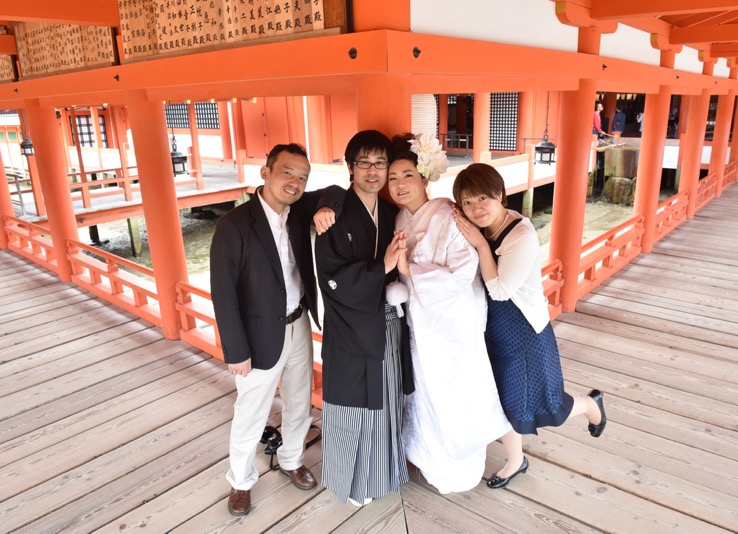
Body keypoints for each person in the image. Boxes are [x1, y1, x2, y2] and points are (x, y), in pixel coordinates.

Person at [452, 163, 606, 489]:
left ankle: (591, 405)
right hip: (491, 328)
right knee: (503, 401)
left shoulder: (520, 234)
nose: (476, 208)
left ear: (500, 195)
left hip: (522, 331)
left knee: (543, 403)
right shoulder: (478, 225)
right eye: (467, 202)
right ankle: (515, 460)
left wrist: (480, 246)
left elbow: (501, 290)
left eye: (484, 198)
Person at [210, 143, 338, 517]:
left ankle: (291, 458)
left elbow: (334, 192)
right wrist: (235, 351)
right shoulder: (233, 225)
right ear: (265, 173)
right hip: (257, 335)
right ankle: (241, 480)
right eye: (287, 172)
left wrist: (326, 207)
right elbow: (223, 293)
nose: (295, 182)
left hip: (298, 322)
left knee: (300, 401)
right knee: (251, 411)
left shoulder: (298, 213)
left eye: (302, 176)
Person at [387, 133, 512, 494]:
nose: (399, 185)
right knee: (427, 394)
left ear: (425, 177)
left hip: (455, 322)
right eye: (393, 178)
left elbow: (462, 271)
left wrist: (410, 271)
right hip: (421, 324)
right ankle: (431, 463)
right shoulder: (399, 220)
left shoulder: (448, 213)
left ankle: (462, 470)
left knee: (457, 393)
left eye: (408, 175)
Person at [314, 130, 414, 507]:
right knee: (353, 407)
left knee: (387, 401)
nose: (373, 171)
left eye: (380, 163)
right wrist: (383, 266)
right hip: (350, 327)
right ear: (350, 166)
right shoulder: (334, 214)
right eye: (364, 163)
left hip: (387, 323)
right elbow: (332, 279)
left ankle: (381, 472)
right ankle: (352, 482)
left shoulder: (391, 212)